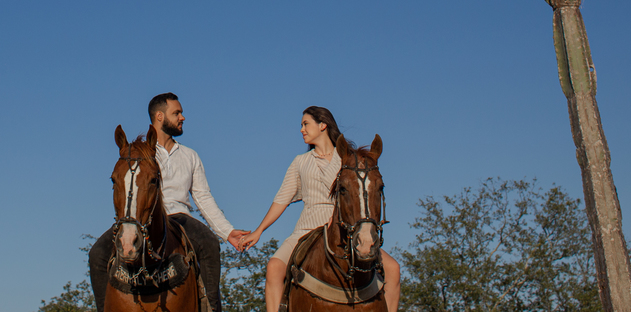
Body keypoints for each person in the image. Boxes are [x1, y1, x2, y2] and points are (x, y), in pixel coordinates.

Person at [90, 93, 247, 312]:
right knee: (97, 254)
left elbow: (203, 197)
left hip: (179, 217)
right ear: (160, 116)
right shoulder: (140, 153)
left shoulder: (190, 155)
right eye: (177, 113)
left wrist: (228, 232)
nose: (182, 117)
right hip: (141, 219)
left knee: (210, 244)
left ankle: (211, 307)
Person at [236, 107, 400, 312]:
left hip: (343, 228)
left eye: (306, 124)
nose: (301, 130)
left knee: (393, 269)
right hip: (306, 228)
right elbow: (281, 200)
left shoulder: (347, 160)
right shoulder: (300, 162)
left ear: (323, 125)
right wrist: (259, 231)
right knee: (274, 268)